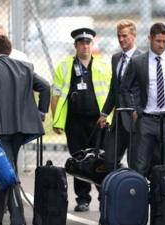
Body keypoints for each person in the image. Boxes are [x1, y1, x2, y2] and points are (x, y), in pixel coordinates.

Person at [0, 35, 50, 225]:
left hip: (0, 130)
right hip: (22, 129)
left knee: (7, 173)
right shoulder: (25, 67)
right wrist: (41, 112)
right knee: (5, 169)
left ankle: (18, 219)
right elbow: (45, 87)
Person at [51, 28, 111, 212]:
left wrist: (107, 117)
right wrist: (57, 121)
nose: (85, 46)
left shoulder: (102, 65)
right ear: (75, 45)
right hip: (74, 121)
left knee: (101, 159)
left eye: (88, 42)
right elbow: (55, 94)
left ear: (92, 44)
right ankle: (83, 199)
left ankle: (105, 197)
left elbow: (111, 94)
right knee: (79, 159)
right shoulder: (64, 66)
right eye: (81, 43)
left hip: (98, 121)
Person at [121, 22, 165, 177]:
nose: (162, 45)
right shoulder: (138, 62)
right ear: (149, 38)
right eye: (158, 41)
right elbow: (125, 88)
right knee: (141, 165)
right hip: (146, 120)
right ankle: (139, 199)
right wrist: (135, 109)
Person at [98, 19, 143, 171]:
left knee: (135, 163)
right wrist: (104, 113)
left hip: (136, 120)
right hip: (118, 119)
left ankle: (133, 191)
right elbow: (114, 89)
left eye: (124, 36)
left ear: (134, 35)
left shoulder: (142, 59)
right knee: (109, 160)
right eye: (119, 36)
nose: (121, 39)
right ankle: (115, 190)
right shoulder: (116, 58)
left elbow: (146, 90)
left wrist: (140, 111)